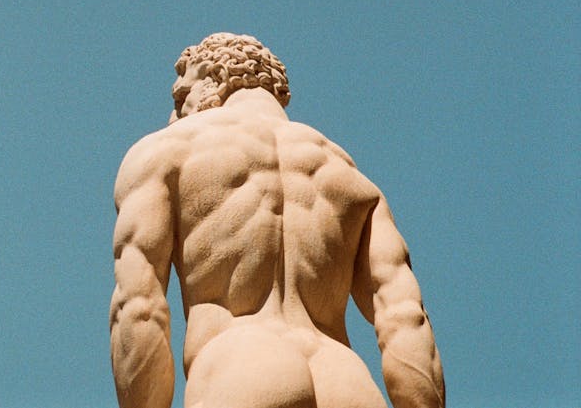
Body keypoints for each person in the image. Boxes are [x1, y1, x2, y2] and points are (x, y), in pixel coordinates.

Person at [110, 33, 444, 408]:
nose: (176, 113)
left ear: (213, 78)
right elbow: (405, 318)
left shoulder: (166, 151)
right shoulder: (351, 177)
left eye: (181, 97)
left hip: (242, 368)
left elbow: (139, 306)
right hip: (347, 382)